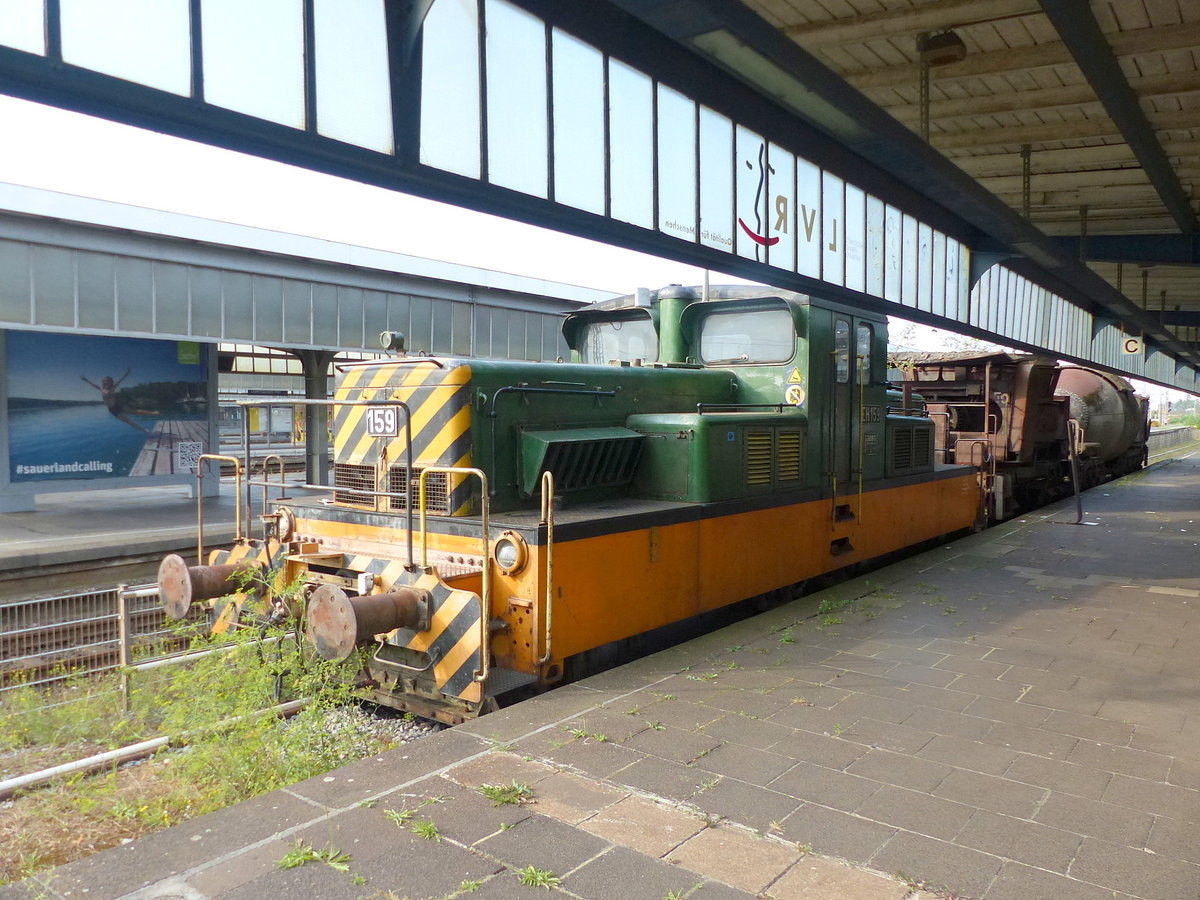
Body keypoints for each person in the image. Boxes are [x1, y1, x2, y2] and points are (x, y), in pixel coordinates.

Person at [81, 368, 158, 434]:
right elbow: (93, 384)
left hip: (118, 405)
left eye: (108, 381)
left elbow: (121, 380)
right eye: (105, 381)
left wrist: (127, 373)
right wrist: (85, 380)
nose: (106, 382)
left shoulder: (113, 387)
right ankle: (146, 431)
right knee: (128, 421)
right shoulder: (101, 389)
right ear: (103, 382)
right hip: (112, 409)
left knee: (134, 412)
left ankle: (153, 413)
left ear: (111, 382)